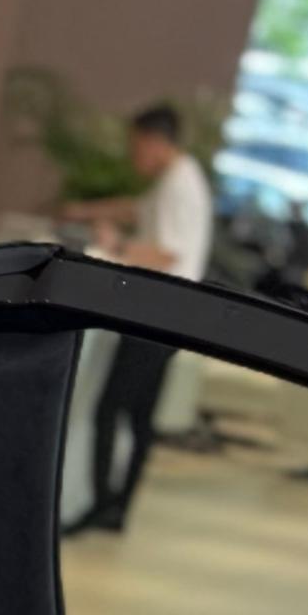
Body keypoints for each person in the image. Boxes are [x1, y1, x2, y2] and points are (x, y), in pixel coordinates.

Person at [76, 103, 217, 533]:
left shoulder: (179, 184)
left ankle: (104, 505)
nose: (133, 155)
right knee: (138, 414)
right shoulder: (177, 179)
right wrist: (87, 211)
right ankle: (116, 508)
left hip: (160, 313)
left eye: (136, 145)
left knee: (111, 408)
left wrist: (116, 247)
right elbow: (140, 210)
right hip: (170, 313)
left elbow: (166, 253)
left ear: (155, 142)